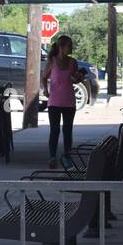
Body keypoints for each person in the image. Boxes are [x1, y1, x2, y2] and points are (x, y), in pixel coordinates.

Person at [41, 35, 84, 168]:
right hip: (54, 101)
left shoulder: (73, 62)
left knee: (67, 130)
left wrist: (79, 77)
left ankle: (67, 156)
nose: (71, 48)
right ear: (61, 47)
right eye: (69, 45)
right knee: (54, 130)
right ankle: (52, 157)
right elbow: (44, 77)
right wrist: (46, 90)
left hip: (69, 101)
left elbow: (74, 79)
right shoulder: (52, 61)